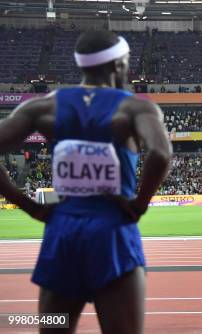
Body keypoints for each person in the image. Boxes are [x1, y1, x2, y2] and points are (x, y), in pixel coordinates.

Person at [0, 30, 172, 333]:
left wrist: (28, 206)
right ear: (118, 64)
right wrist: (139, 205)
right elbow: (160, 153)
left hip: (62, 233)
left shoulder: (42, 107)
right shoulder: (135, 107)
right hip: (113, 232)